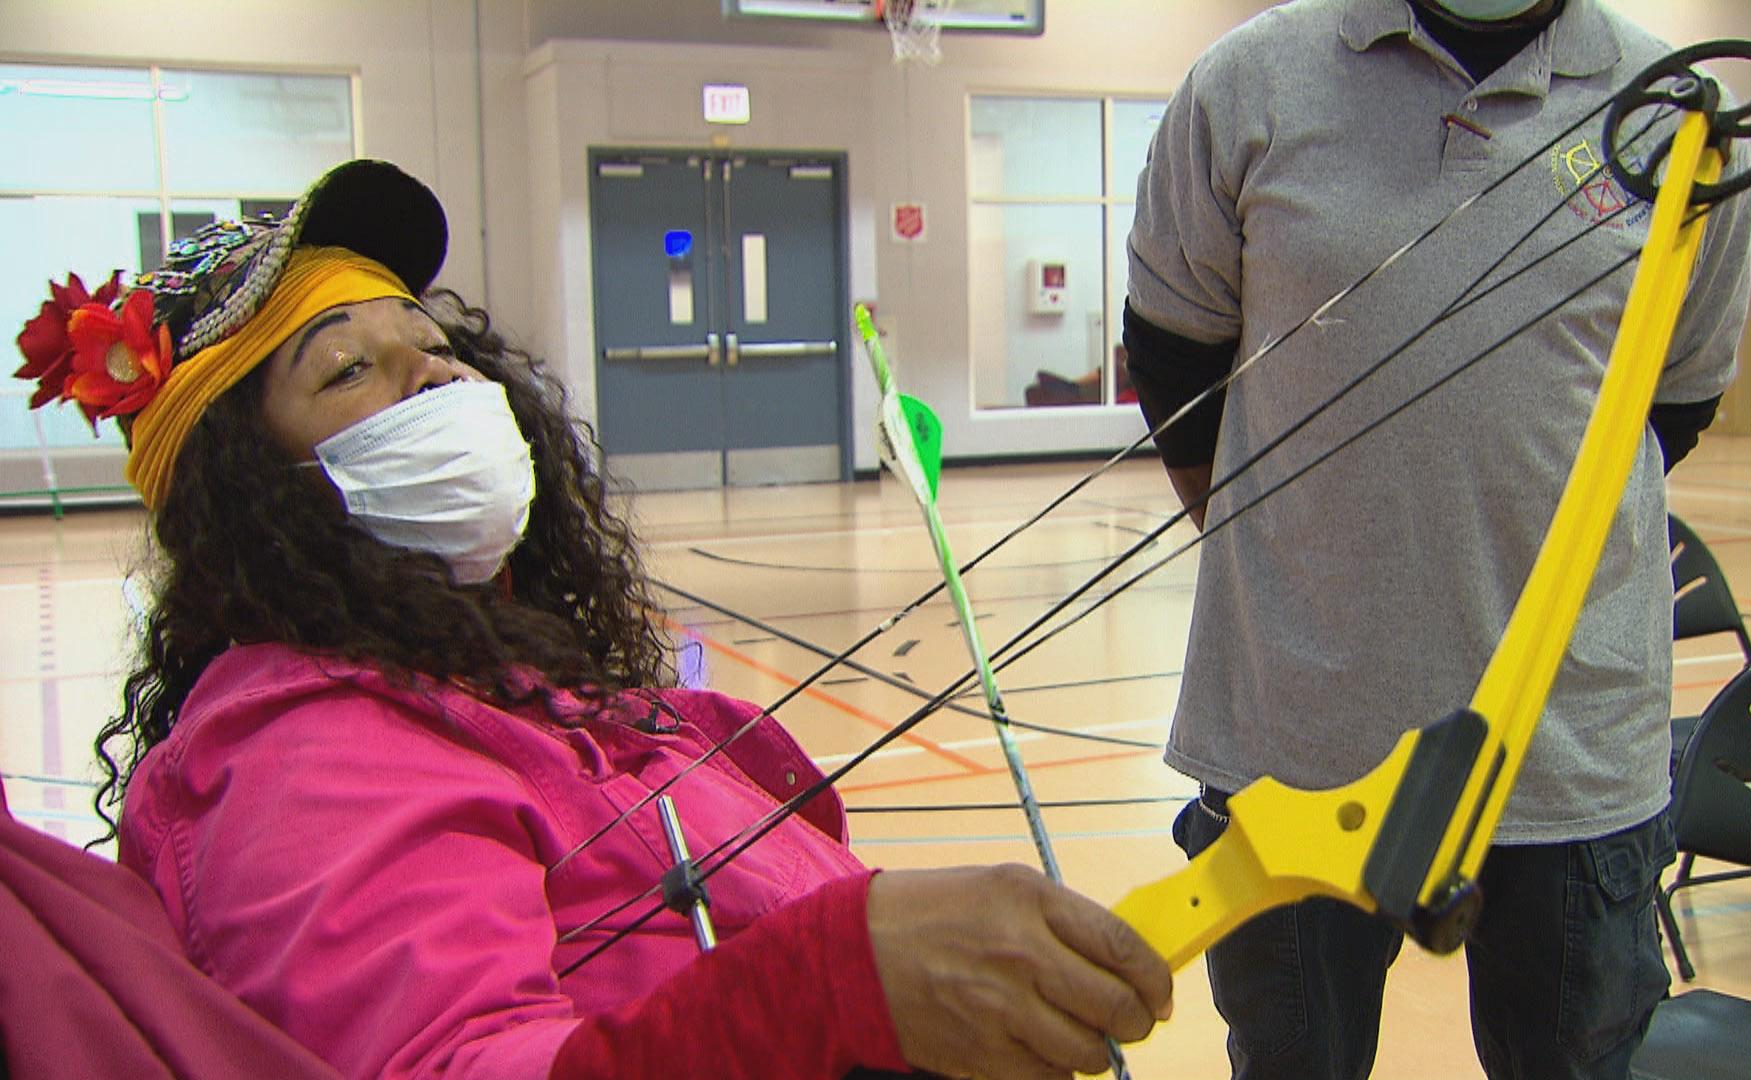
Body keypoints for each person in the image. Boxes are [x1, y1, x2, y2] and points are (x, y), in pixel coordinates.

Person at [13, 158, 1172, 1080]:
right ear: (249, 495)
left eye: (437, 345)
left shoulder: (500, 677)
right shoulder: (302, 760)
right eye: (347, 371)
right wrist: (836, 983)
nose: (439, 381)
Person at [1123, 2, 1751, 1079]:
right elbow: (1175, 363)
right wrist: (1306, 560)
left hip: (1570, 745)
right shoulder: (1248, 83)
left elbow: (1671, 405)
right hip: (1294, 739)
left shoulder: (1676, 113)